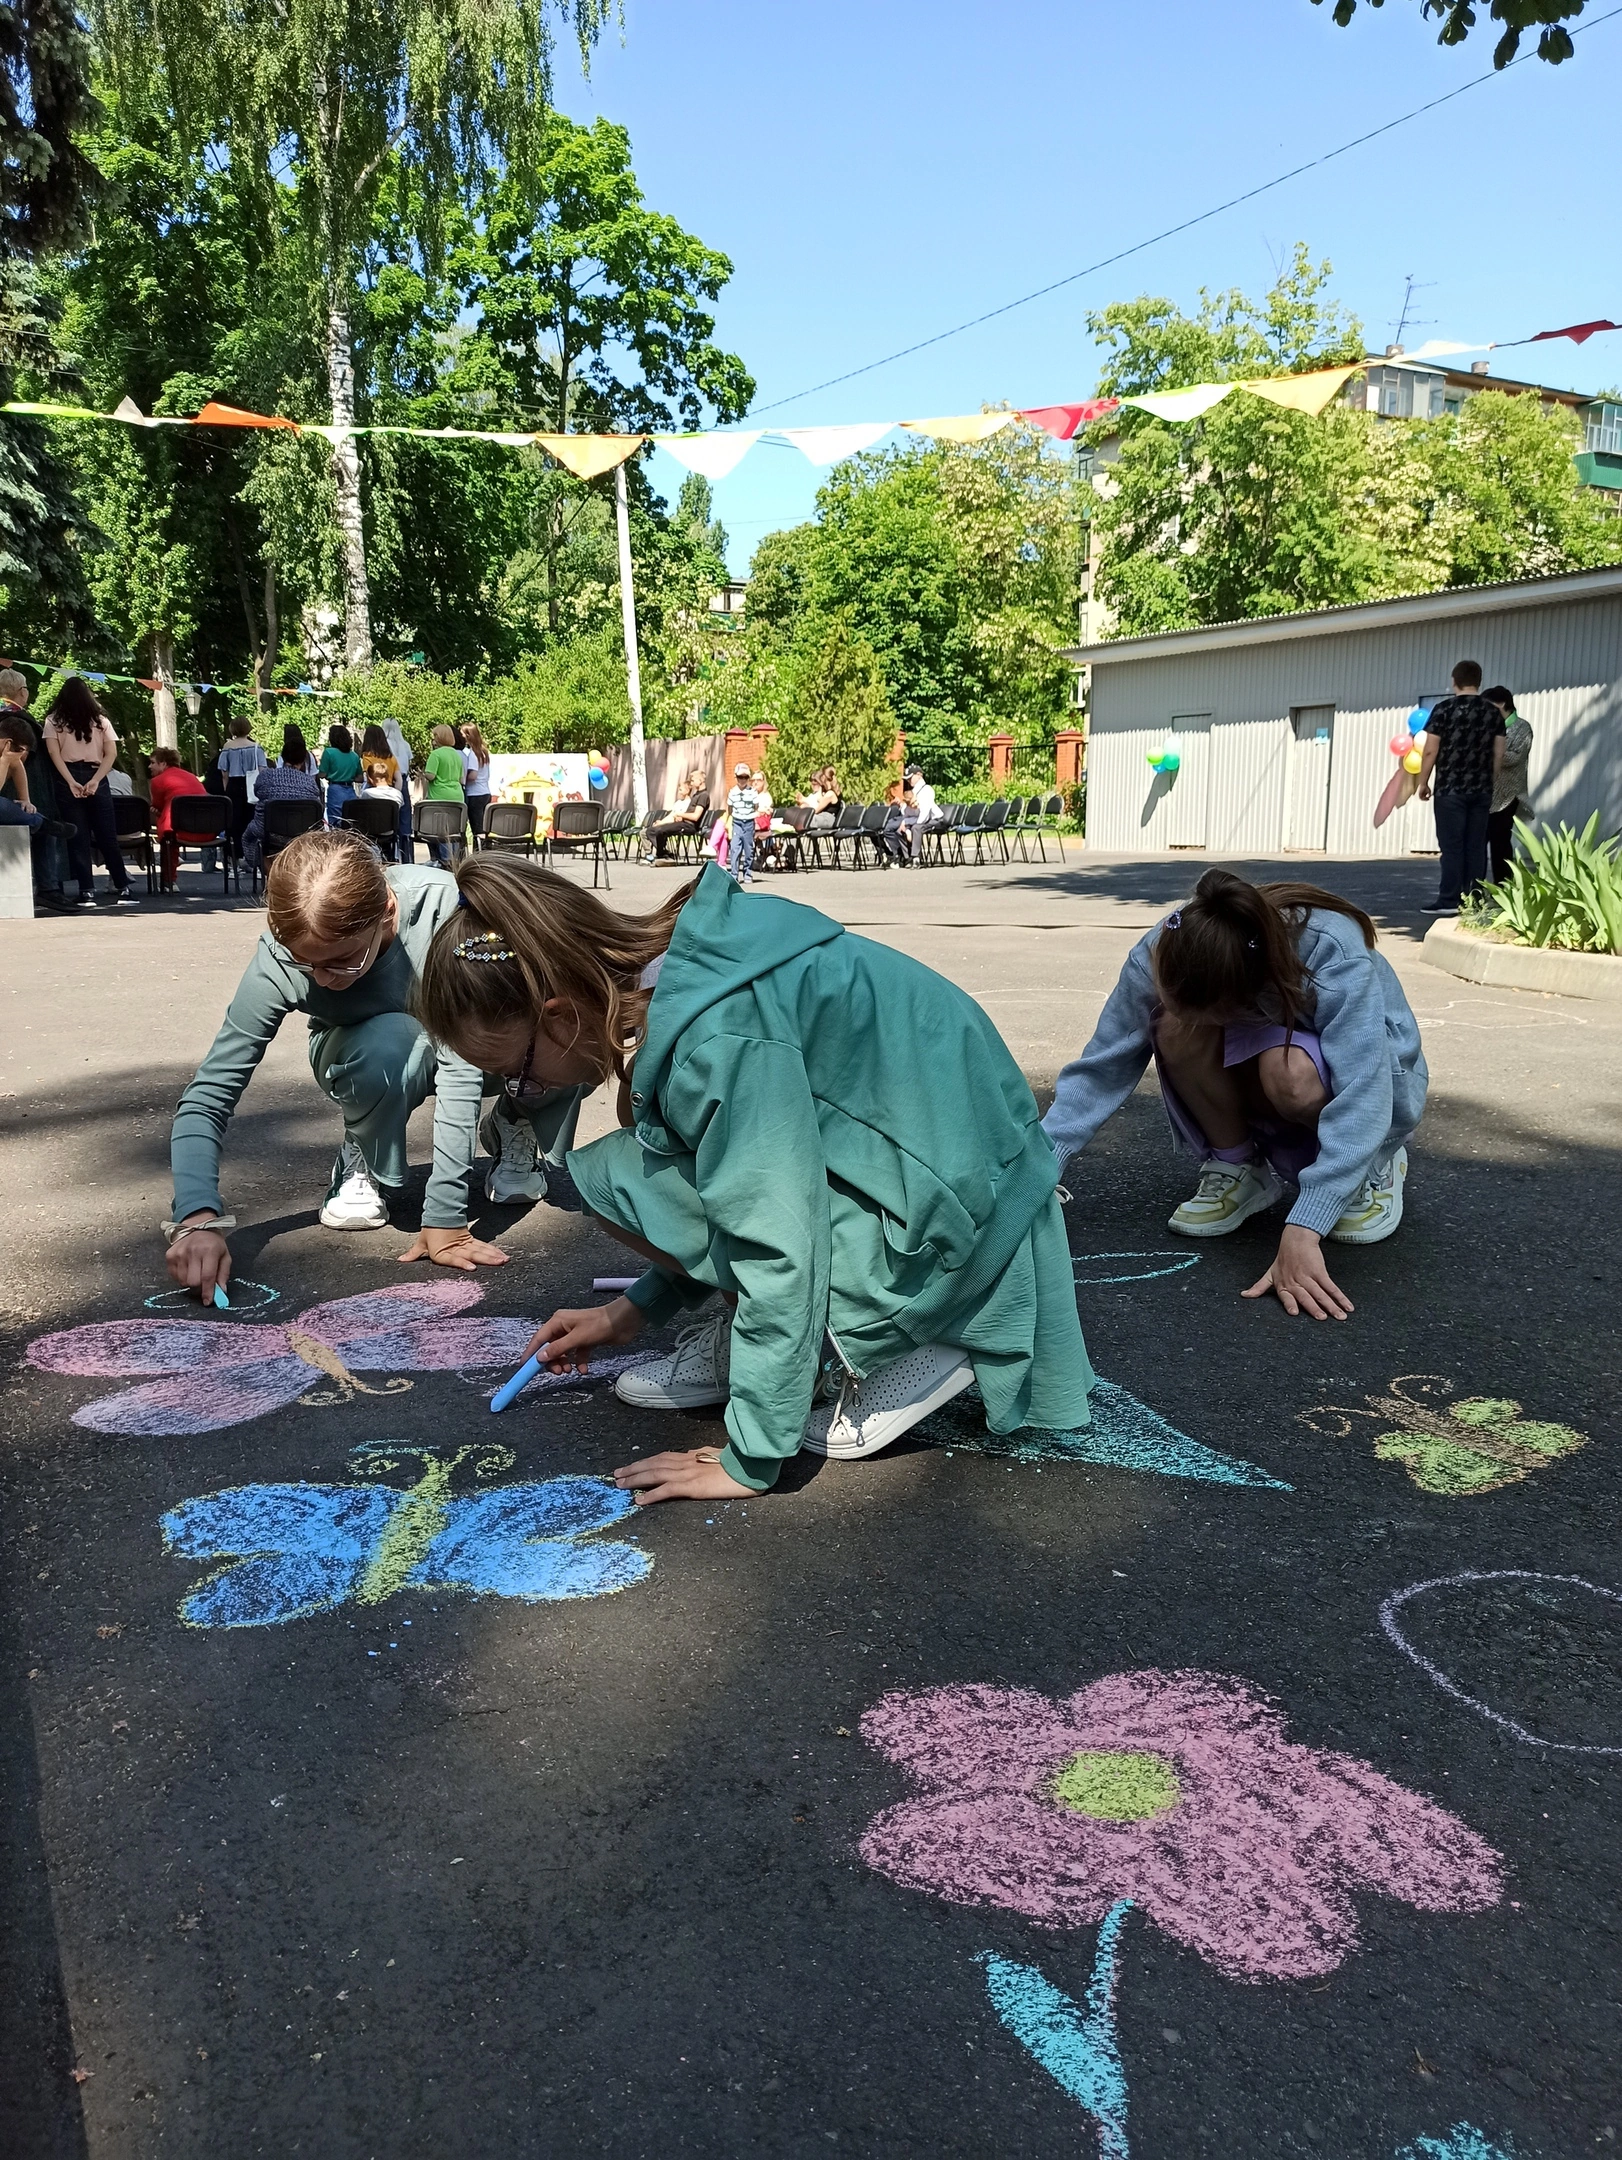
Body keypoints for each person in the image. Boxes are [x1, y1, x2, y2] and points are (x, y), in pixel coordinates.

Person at [411, 856, 1093, 1507]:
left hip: (963, 1243)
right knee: (640, 1152)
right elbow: (736, 1187)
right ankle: (775, 1344)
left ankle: (914, 1339)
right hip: (953, 1191)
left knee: (618, 1176)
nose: (523, 1090)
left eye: (518, 1072)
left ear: (559, 1015)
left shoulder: (717, 1039)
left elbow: (775, 1239)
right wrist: (630, 1312)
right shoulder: (692, 964)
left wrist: (752, 1454)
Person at [164, 828, 588, 1306]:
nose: (323, 979)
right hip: (368, 1055)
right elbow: (211, 1092)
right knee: (392, 1040)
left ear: (387, 910)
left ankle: (518, 1119)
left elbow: (460, 1064)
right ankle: (364, 1144)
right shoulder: (283, 956)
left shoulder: (447, 915)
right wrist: (197, 1220)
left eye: (342, 961)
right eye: (307, 966)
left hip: (480, 1048)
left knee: (570, 1033)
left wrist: (445, 1217)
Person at [1043, 868, 1427, 1323]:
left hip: (1375, 1089)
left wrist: (1305, 1229)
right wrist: (1037, 1164)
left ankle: (1375, 1164)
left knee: (1289, 1072)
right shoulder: (1165, 946)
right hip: (1267, 1044)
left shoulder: (1331, 948)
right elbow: (1102, 1065)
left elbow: (1366, 1086)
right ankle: (1240, 1165)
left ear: (1245, 998)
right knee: (1171, 1025)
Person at [1417, 660, 1505, 916]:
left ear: (1454, 680)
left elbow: (1431, 748)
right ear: (1479, 681)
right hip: (1481, 789)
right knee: (1476, 845)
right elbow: (1499, 754)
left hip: (1450, 788)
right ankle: (1475, 900)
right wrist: (1493, 781)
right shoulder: (1493, 713)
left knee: (1452, 845)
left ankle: (1448, 898)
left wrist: (1423, 781)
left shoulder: (1444, 709)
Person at [43, 675, 137, 906]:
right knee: (107, 835)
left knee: (79, 838)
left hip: (68, 777)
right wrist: (96, 780)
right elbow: (111, 754)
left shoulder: (53, 721)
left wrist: (70, 781)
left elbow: (54, 755)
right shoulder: (101, 721)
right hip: (97, 775)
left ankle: (87, 891)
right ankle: (122, 887)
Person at [239, 752, 323, 878]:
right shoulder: (309, 782)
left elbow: (257, 792)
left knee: (250, 836)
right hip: (301, 834)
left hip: (270, 833)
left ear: (282, 758)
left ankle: (270, 875)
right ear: (302, 762)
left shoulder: (266, 776)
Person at [1483, 685, 1534, 887]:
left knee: (1500, 843)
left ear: (1502, 704)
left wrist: (1491, 752)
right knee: (1479, 843)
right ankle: (1476, 888)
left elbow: (1516, 757)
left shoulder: (1522, 728)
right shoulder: (1487, 726)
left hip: (1508, 795)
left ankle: (1503, 886)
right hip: (1486, 793)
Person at [147, 746, 208, 892]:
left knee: (168, 835)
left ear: (163, 763)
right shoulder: (192, 777)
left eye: (152, 762)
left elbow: (157, 806)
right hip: (205, 829)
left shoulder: (157, 781)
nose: (150, 766)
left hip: (177, 831)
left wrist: (158, 810)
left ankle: (169, 881)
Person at [217, 715, 269, 858]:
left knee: (233, 824)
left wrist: (226, 789)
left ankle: (234, 858)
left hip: (234, 785)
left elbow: (224, 772)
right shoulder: (256, 747)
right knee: (251, 821)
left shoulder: (227, 747)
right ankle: (252, 856)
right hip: (251, 786)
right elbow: (262, 770)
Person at [642, 770, 711, 864]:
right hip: (683, 822)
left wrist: (680, 814)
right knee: (651, 830)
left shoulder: (704, 795)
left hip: (690, 826)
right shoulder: (696, 795)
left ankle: (663, 855)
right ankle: (664, 853)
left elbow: (696, 816)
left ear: (700, 780)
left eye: (693, 780)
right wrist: (681, 817)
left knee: (660, 830)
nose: (691, 783)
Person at [318, 723, 364, 829]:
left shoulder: (329, 752)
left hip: (335, 790)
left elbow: (322, 774)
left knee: (335, 824)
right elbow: (360, 778)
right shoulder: (354, 756)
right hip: (350, 791)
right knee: (350, 823)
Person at [383, 718, 415, 863]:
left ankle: (390, 856)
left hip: (389, 780)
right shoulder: (405, 745)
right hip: (403, 781)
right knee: (405, 822)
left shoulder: (384, 744)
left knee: (389, 821)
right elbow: (408, 763)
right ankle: (407, 858)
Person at [725, 762, 759, 886]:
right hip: (737, 822)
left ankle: (748, 873)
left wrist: (752, 817)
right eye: (740, 777)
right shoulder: (732, 792)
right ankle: (734, 874)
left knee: (749, 849)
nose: (742, 780)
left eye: (745, 777)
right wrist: (730, 820)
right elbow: (729, 808)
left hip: (749, 822)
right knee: (735, 849)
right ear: (736, 777)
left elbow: (756, 807)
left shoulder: (753, 792)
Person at [461, 723, 493, 845]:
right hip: (485, 791)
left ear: (468, 736)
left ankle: (478, 855)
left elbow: (473, 775)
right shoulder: (484, 752)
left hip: (474, 794)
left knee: (477, 829)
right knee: (485, 828)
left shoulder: (472, 753)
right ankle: (485, 852)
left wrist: (462, 779)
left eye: (463, 734)